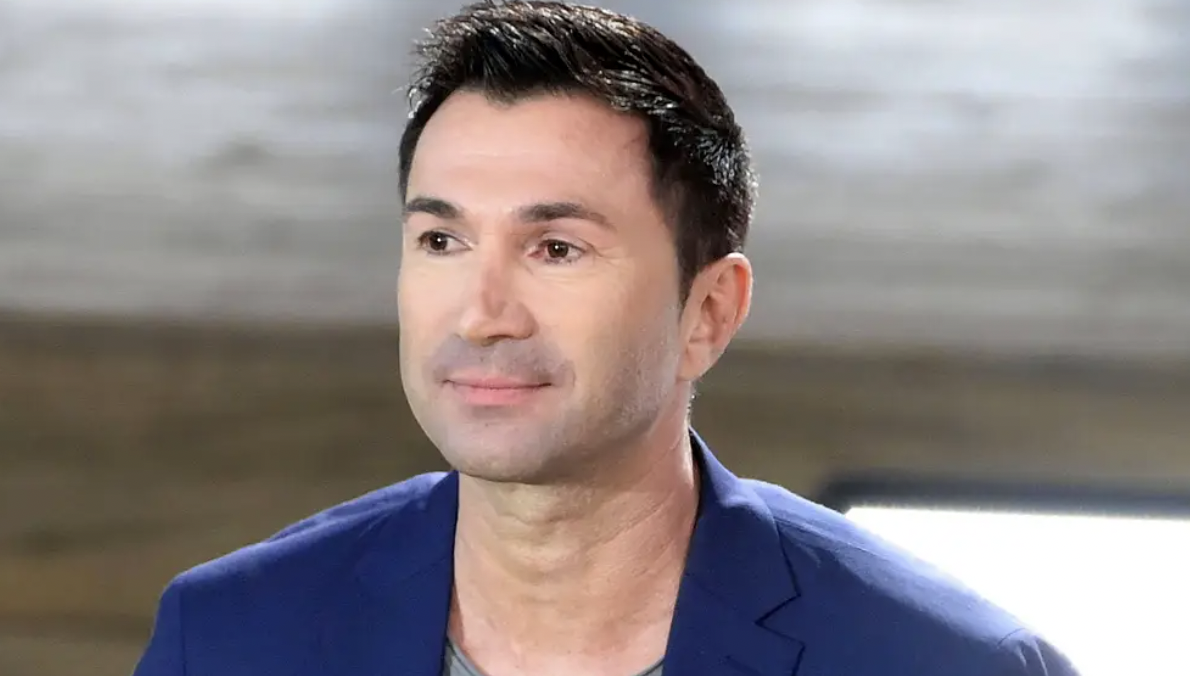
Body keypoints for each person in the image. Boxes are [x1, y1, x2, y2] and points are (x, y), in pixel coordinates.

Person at [132, 2, 1081, 675]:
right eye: (442, 241)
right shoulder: (227, 638)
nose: (481, 313)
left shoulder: (938, 662)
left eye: (556, 247)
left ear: (709, 313)